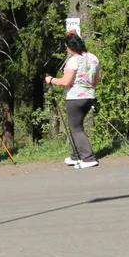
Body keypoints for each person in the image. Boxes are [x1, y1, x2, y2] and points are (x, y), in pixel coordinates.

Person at [46, 33, 101, 169]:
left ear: (70, 47)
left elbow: (66, 81)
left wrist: (51, 79)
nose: (66, 50)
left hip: (75, 97)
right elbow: (97, 79)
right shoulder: (93, 58)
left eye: (66, 47)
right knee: (77, 126)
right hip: (89, 96)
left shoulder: (73, 60)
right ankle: (76, 156)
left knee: (75, 128)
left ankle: (88, 158)